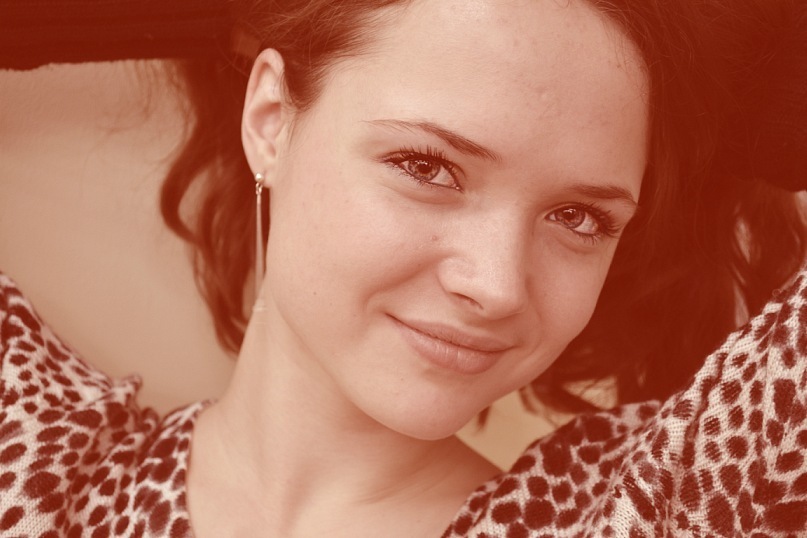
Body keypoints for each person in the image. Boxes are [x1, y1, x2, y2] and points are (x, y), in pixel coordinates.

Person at [0, 0, 805, 537]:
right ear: (271, 120)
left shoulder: (639, 518)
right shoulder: (36, 459)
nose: (495, 285)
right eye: (428, 167)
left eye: (577, 218)